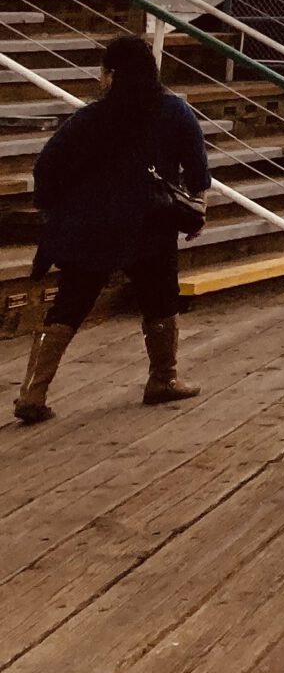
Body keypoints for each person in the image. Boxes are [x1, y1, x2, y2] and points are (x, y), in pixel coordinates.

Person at [14, 34, 211, 424]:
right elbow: (197, 169)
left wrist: (58, 207)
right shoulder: (174, 111)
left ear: (111, 75)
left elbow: (46, 168)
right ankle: (163, 379)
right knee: (160, 300)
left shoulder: (88, 118)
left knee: (69, 305)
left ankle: (32, 392)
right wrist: (197, 210)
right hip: (150, 222)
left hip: (91, 227)